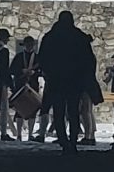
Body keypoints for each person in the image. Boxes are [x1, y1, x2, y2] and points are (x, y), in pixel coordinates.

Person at [37, 11, 98, 153]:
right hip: (74, 81)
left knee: (58, 112)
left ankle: (64, 141)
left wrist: (49, 74)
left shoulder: (50, 37)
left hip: (56, 81)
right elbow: (88, 60)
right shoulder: (79, 37)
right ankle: (72, 140)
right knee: (73, 111)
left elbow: (43, 59)